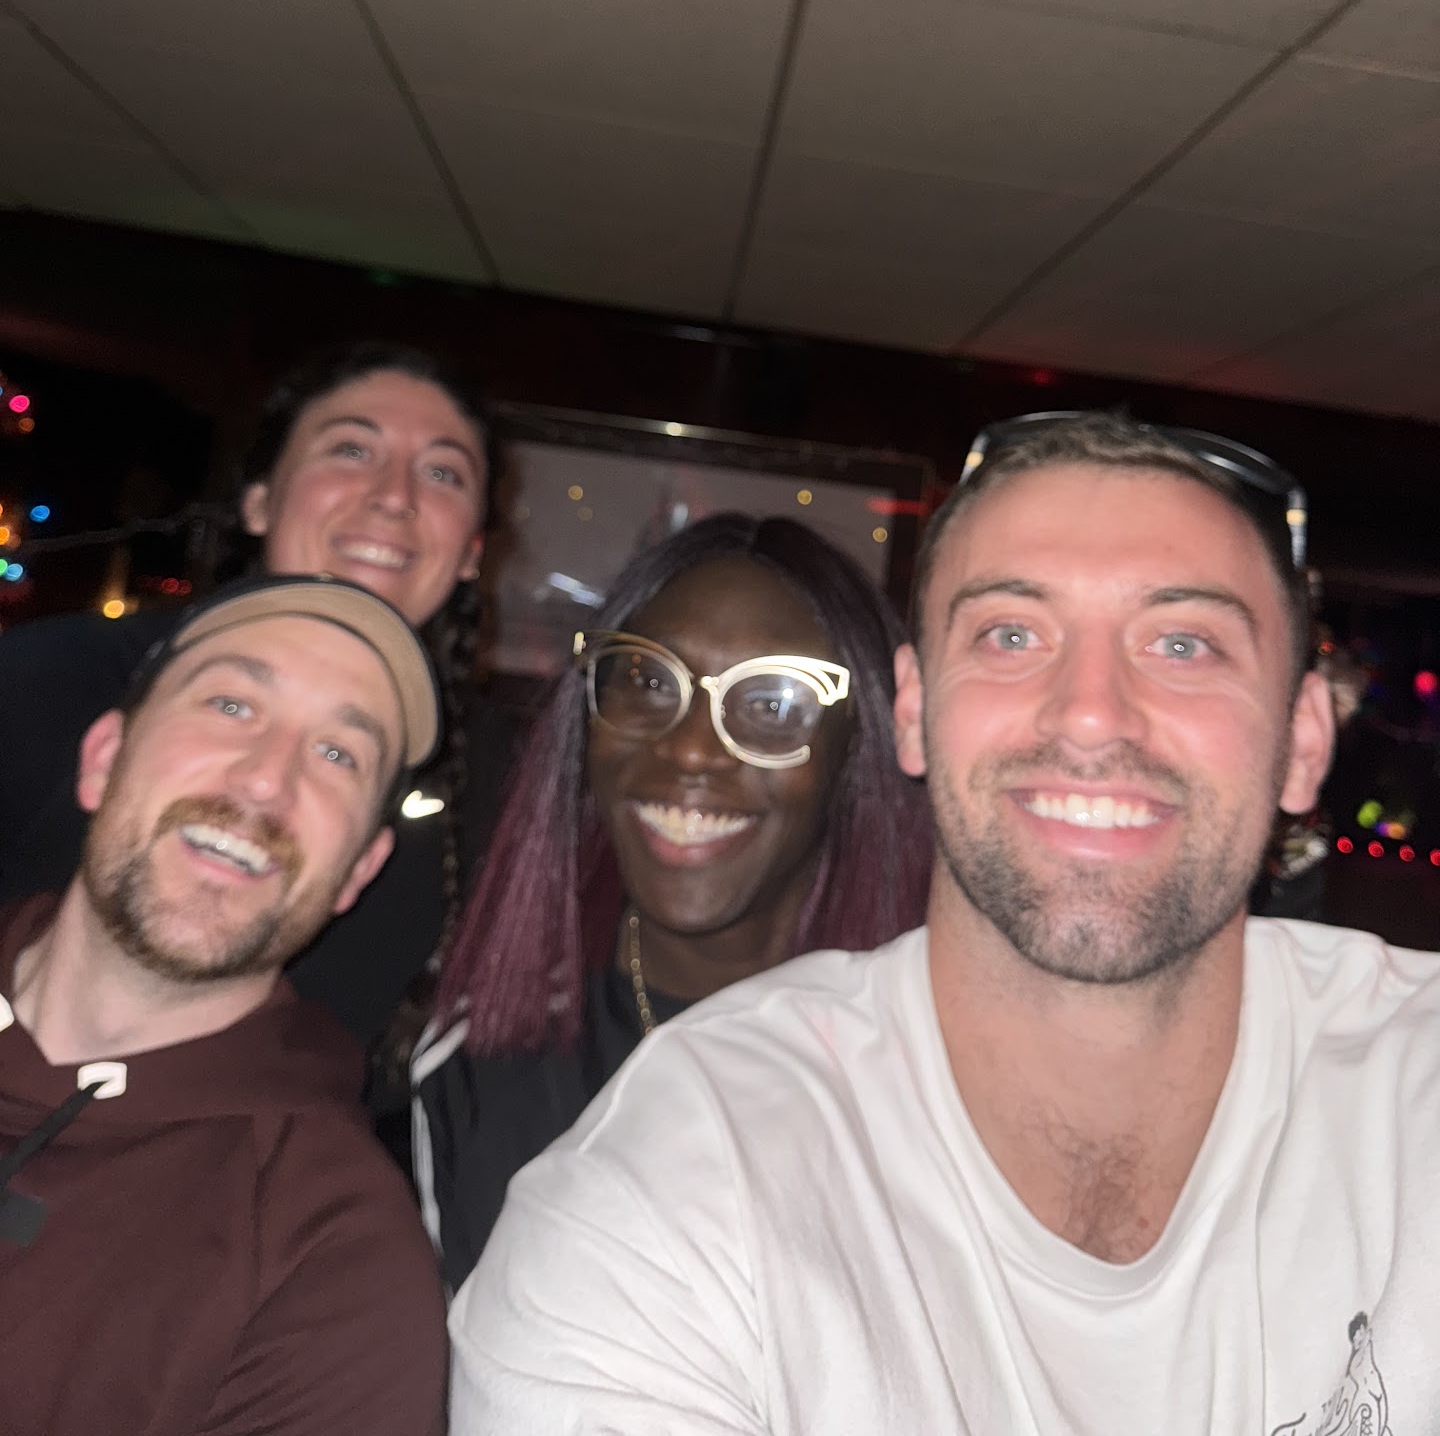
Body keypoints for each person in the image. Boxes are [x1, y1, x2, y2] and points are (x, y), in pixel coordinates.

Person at [450, 412, 1440, 1433]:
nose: (1090, 712)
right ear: (914, 712)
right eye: (1011, 635)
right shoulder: (663, 1195)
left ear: (1305, 740)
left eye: (1182, 644)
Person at [413, 512, 932, 1294]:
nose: (690, 748)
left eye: (773, 704)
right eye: (649, 682)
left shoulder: (934, 1072)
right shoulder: (484, 1060)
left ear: (858, 749)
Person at [0, 575, 449, 1435]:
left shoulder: (334, 1266)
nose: (266, 781)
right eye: (232, 705)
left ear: (357, 871)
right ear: (104, 758)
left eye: (338, 755)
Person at [0, 341, 512, 1047]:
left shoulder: (501, 788)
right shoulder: (46, 678)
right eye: (351, 450)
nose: (395, 497)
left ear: (473, 553)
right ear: (259, 500)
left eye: (442, 473)